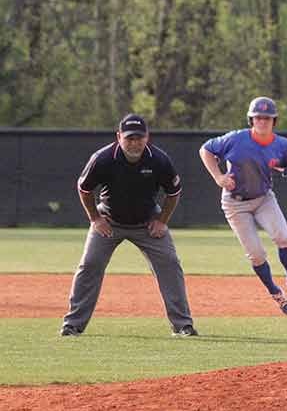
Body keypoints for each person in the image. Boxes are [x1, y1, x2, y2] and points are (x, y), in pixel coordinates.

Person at [60, 113, 198, 337]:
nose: (134, 143)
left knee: (170, 264)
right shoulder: (103, 158)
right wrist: (95, 219)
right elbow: (84, 189)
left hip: (147, 222)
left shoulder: (159, 160)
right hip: (109, 221)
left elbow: (174, 192)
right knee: (90, 264)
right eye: (129, 138)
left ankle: (183, 325)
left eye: (139, 138)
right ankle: (72, 324)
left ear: (147, 137)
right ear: (119, 137)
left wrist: (162, 221)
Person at [200, 96, 287, 315]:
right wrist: (218, 176)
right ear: (251, 120)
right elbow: (206, 149)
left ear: (274, 121)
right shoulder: (236, 139)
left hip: (264, 198)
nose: (262, 121)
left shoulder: (281, 145)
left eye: (267, 118)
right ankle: (275, 292)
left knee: (283, 237)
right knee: (256, 254)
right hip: (235, 204)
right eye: (258, 117)